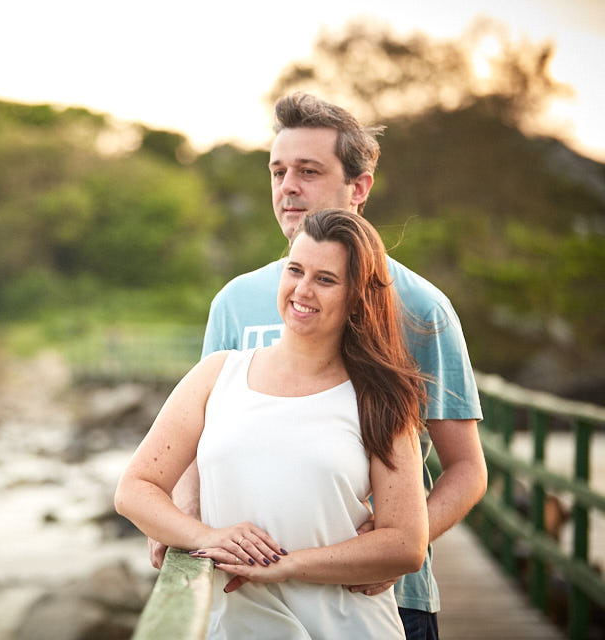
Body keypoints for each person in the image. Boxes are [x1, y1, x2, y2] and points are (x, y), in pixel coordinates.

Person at [147, 92, 487, 640]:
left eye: (308, 171)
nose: (288, 187)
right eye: (278, 171)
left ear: (360, 187)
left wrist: (395, 542)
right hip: (247, 598)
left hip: (382, 598)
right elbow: (193, 441)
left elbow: (466, 469)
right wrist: (187, 527)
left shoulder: (422, 309)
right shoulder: (234, 301)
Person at [116, 209, 430, 638]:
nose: (302, 290)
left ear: (357, 296)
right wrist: (207, 536)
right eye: (295, 270)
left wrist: (290, 566)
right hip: (237, 627)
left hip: (348, 627)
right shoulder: (217, 374)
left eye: (325, 279)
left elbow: (406, 544)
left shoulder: (380, 397)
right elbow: (135, 488)